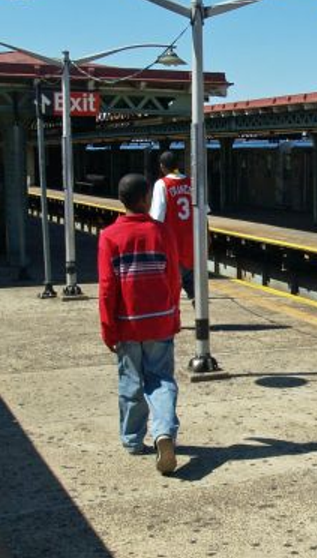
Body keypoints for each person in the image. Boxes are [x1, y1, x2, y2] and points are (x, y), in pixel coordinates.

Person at [98, 173, 183, 475]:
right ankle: (163, 432)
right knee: (160, 380)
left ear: (121, 199)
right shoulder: (162, 233)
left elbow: (108, 288)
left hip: (127, 324)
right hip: (159, 322)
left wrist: (108, 328)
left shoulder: (109, 236)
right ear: (146, 199)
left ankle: (133, 440)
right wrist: (174, 315)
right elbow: (174, 278)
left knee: (130, 382)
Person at [148, 151, 195, 301]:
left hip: (172, 245)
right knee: (193, 285)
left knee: (170, 287)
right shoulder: (192, 182)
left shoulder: (162, 184)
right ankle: (202, 319)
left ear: (162, 166)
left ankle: (173, 320)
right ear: (178, 164)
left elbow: (157, 218)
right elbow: (203, 214)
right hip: (192, 245)